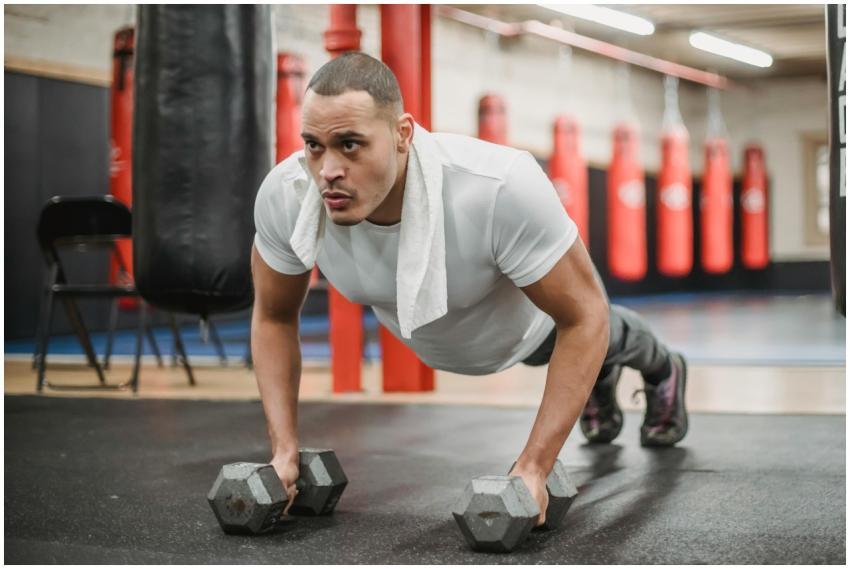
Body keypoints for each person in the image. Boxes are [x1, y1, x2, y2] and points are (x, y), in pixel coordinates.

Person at [251, 52, 688, 526]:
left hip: (530, 327)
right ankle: (598, 379)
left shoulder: (496, 186)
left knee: (604, 333)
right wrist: (284, 453)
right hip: (439, 338)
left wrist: (533, 469)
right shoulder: (287, 196)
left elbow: (585, 317)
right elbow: (273, 317)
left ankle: (664, 368)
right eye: (314, 145)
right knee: (590, 351)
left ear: (402, 134)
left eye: (350, 145)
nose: (327, 169)